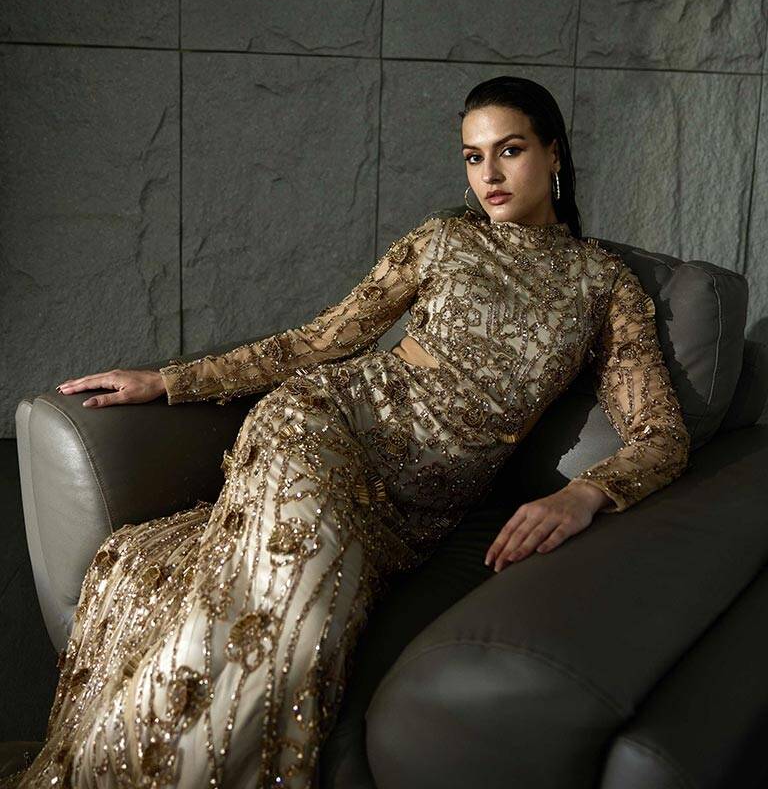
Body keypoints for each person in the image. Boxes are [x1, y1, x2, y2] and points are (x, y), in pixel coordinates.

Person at [6, 76, 691, 789]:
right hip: (323, 425)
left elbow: (661, 435)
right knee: (293, 630)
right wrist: (170, 380)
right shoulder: (444, 240)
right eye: (472, 156)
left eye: (509, 150)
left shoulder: (602, 285)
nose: (488, 173)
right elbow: (320, 340)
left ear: (554, 153)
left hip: (412, 515)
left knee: (295, 628)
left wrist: (583, 494)